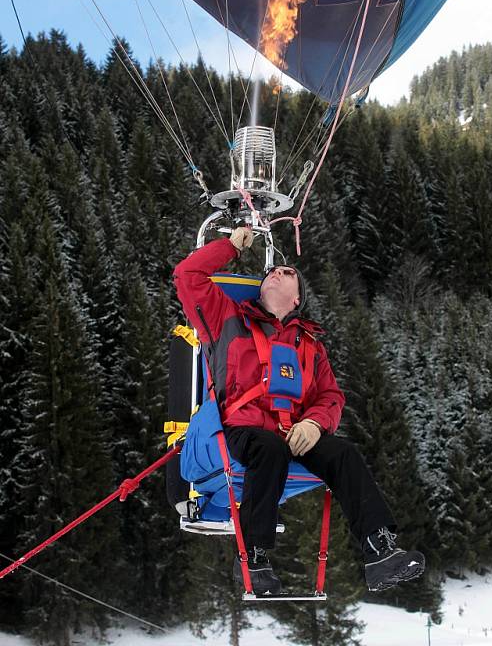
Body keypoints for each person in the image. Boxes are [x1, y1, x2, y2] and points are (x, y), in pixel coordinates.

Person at [174, 227, 425, 595]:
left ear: (296, 301)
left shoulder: (308, 345)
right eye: (273, 272)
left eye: (288, 273)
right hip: (243, 431)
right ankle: (253, 556)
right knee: (269, 449)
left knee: (343, 454)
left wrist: (314, 423)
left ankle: (379, 551)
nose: (277, 272)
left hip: (294, 432)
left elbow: (331, 397)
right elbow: (187, 275)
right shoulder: (225, 318)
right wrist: (229, 247)